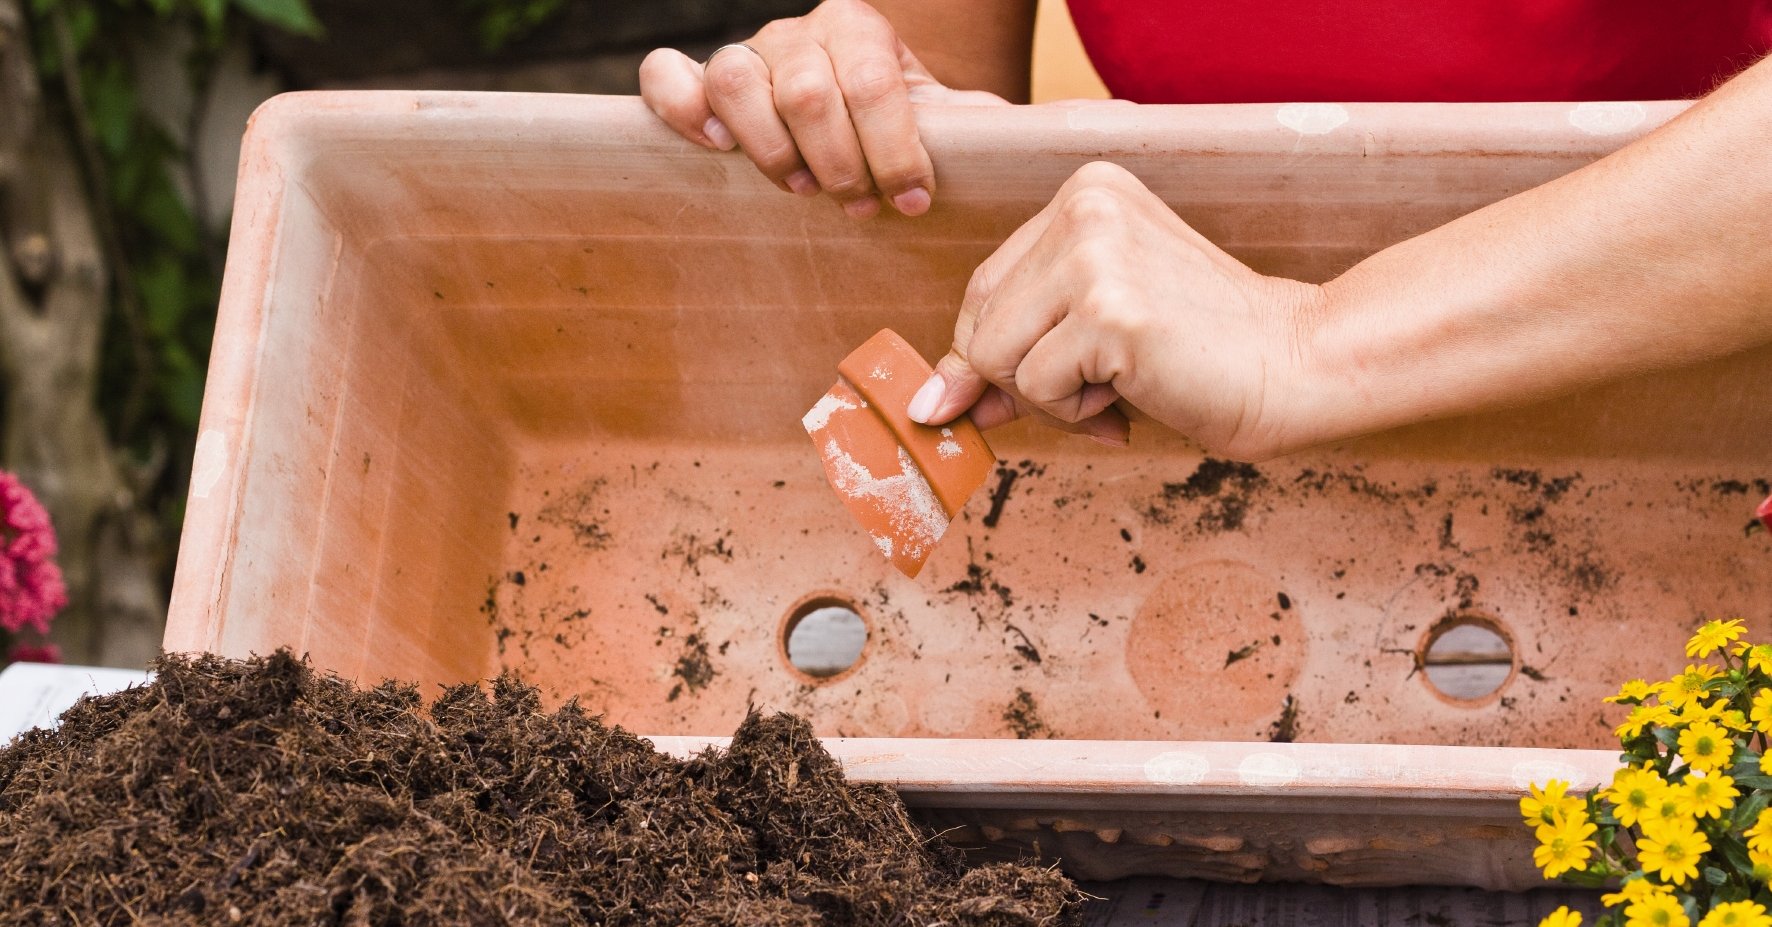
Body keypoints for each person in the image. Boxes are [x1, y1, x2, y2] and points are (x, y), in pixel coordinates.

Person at [639, 1, 1772, 460]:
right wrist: (852, 105)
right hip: (1189, 469)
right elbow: (932, 140)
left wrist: (1312, 339)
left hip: (1685, 443)